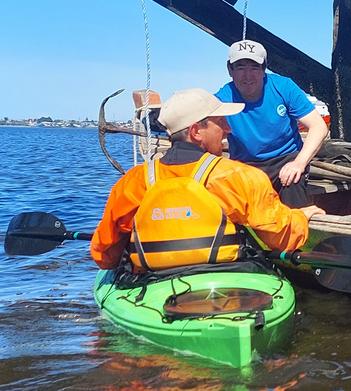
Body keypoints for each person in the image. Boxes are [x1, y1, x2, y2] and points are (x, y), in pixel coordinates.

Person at [91, 88, 320, 272]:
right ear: (196, 131)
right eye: (220, 122)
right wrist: (301, 216)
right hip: (223, 282)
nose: (228, 129)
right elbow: (282, 239)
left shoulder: (134, 182)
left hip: (151, 285)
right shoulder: (239, 177)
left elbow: (104, 255)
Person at [214, 39, 329, 208]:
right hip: (244, 165)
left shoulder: (284, 87)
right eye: (240, 68)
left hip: (285, 160)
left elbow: (318, 126)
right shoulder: (221, 99)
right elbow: (203, 134)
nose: (247, 75)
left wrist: (299, 162)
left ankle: (295, 230)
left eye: (254, 67)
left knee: (293, 179)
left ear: (263, 69)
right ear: (229, 70)